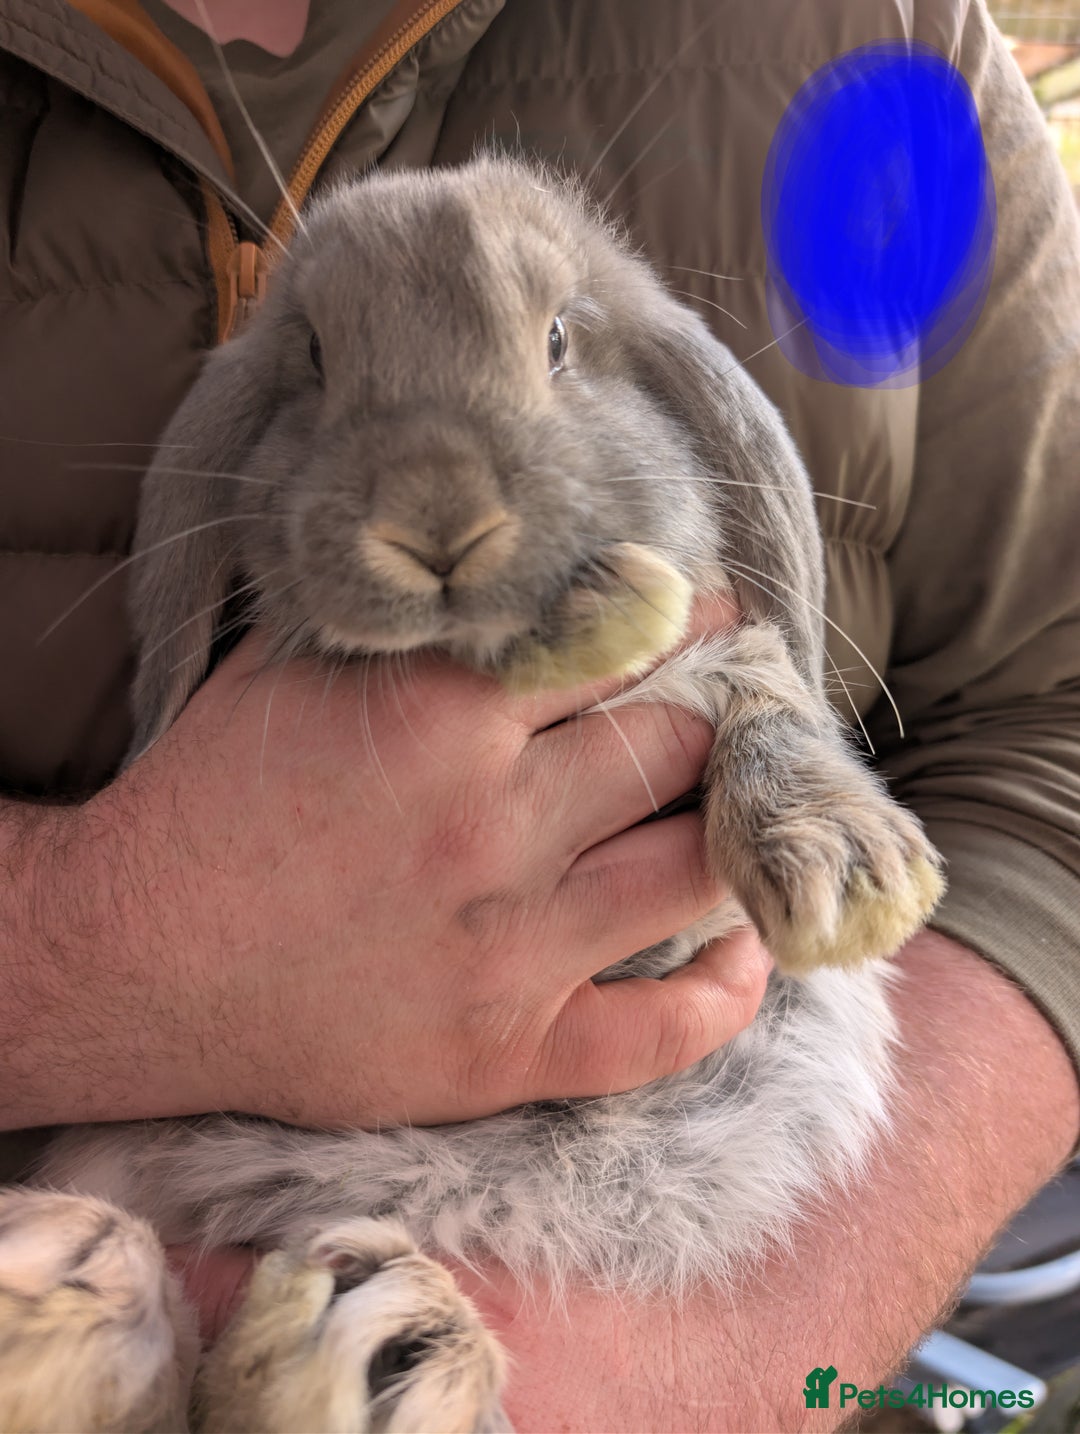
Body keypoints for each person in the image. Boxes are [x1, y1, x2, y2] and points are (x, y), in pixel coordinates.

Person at [0, 0, 1077, 1429]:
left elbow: (1050, 715)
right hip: (123, 1207)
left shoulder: (878, 33)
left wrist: (742, 1358)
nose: (439, 509)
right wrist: (88, 951)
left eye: (553, 347)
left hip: (643, 1217)